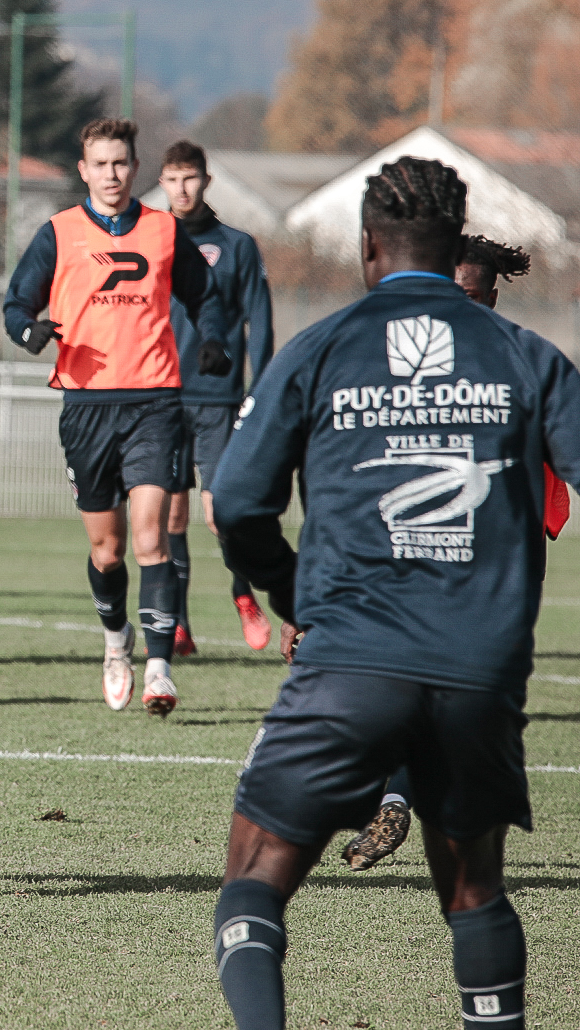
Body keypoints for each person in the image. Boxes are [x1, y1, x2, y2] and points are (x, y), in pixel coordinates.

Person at [209, 157, 580, 1030]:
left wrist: (293, 589)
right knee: (475, 893)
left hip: (350, 657)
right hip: (478, 671)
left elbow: (236, 502)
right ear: (457, 248)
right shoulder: (530, 358)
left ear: (368, 245)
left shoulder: (323, 348)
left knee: (252, 881)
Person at [338, 233, 568, 873]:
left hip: (497, 562)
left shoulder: (525, 366)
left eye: (470, 298)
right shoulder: (396, 369)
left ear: (492, 297)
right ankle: (393, 793)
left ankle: (399, 797)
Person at [3, 118, 229, 717]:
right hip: (85, 407)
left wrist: (210, 339)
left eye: (122, 163)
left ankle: (159, 669)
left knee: (153, 539)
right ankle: (115, 640)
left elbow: (206, 293)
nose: (112, 174)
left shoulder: (162, 230)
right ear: (84, 170)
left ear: (134, 167)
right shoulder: (58, 233)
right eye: (101, 164)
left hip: (155, 401)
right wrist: (31, 331)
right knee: (108, 550)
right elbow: (16, 303)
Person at [158, 140, 275, 654]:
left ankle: (242, 594)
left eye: (190, 178)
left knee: (221, 509)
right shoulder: (150, 240)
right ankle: (179, 623)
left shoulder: (238, 246)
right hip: (161, 396)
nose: (181, 189)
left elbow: (261, 321)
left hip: (219, 398)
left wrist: (260, 390)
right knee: (172, 515)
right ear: (161, 183)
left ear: (206, 181)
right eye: (171, 179)